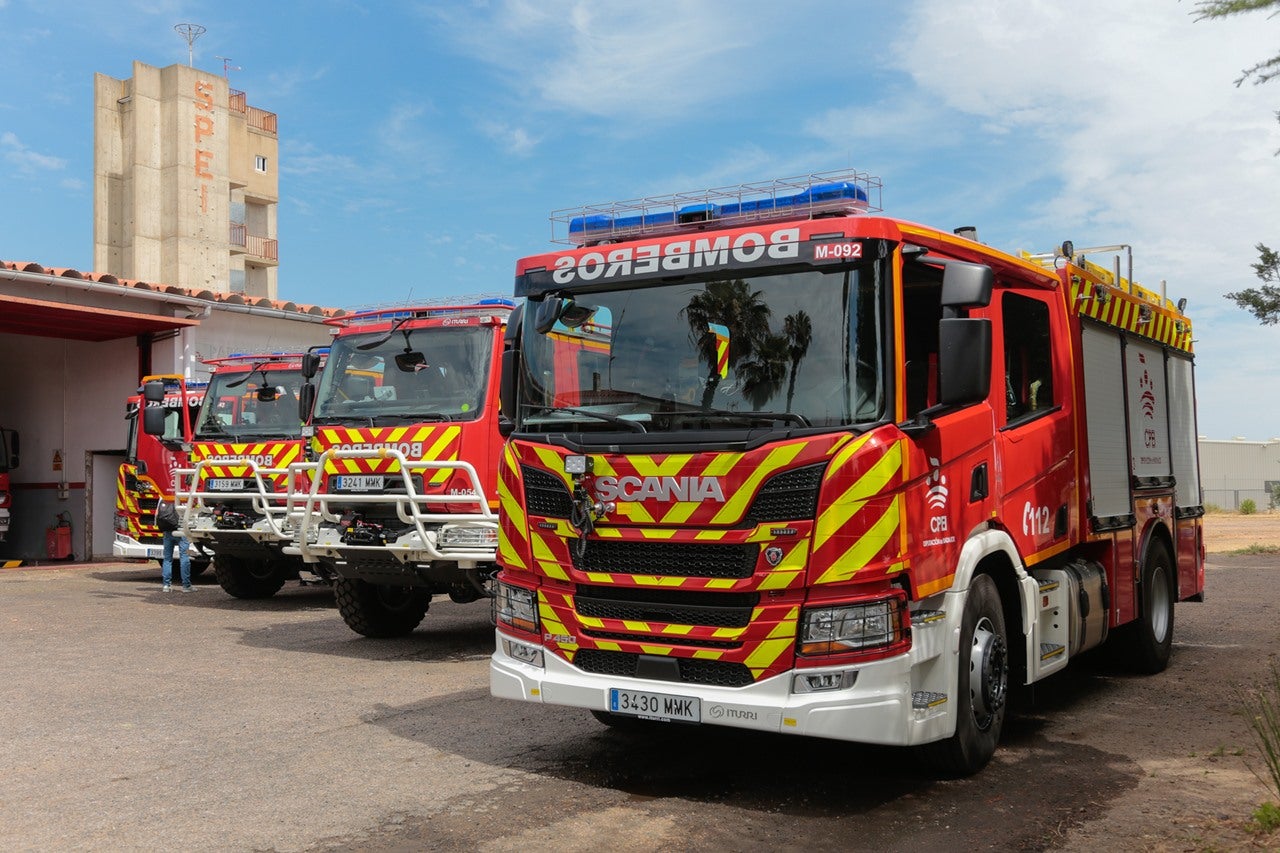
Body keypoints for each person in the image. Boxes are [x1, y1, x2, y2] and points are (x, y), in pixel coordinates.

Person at [155, 498, 194, 592]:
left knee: (167, 559)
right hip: (181, 531)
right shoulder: (184, 496)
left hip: (167, 531)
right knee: (184, 557)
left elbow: (157, 514)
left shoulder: (163, 496)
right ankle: (186, 586)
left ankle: (166, 585)